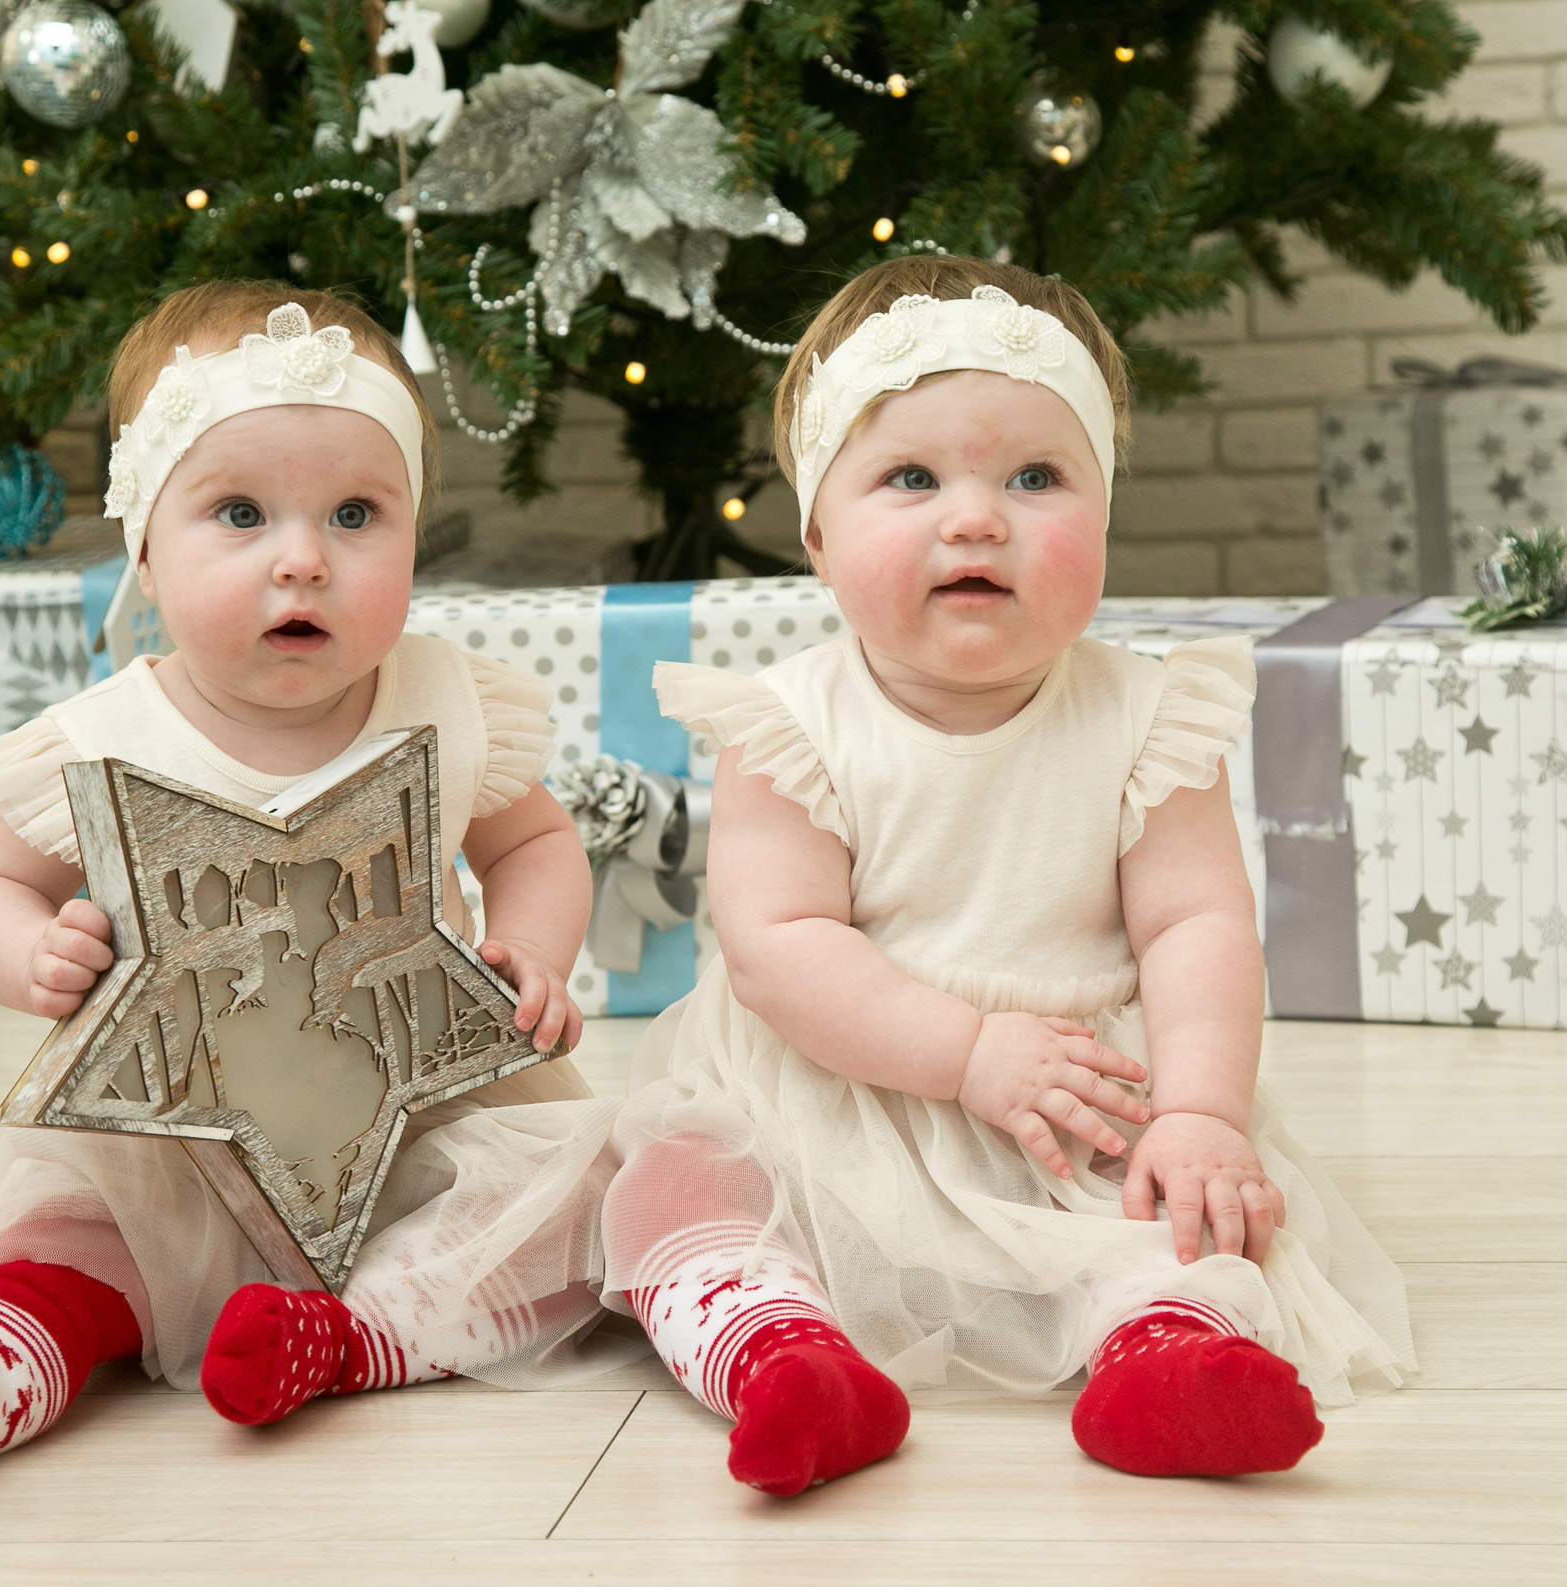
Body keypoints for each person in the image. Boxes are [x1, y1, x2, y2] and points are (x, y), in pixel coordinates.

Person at [0, 285, 616, 1514]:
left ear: (417, 529)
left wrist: (527, 943)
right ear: (144, 546)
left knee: (561, 1213)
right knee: (68, 1244)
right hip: (176, 1134)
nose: (303, 556)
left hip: (425, 1105)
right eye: (240, 514)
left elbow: (537, 847)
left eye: (357, 513)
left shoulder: (449, 701)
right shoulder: (103, 741)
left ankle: (358, 1338)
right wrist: (29, 952)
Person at [600, 257, 1416, 1498]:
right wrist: (965, 1051)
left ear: (1103, 511)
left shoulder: (1150, 716)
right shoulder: (791, 727)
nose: (975, 519)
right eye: (910, 479)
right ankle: (779, 1355)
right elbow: (776, 946)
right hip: (832, 1091)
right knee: (675, 1186)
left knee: (1169, 1220)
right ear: (818, 533)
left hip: (1076, 1100)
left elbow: (1198, 921)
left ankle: (1160, 1356)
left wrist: (1198, 1109)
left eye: (1036, 478)